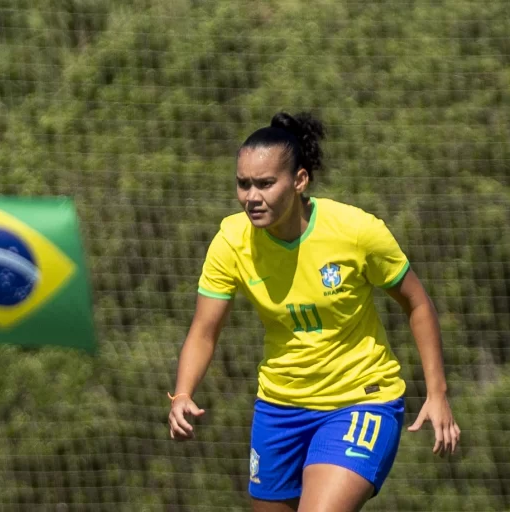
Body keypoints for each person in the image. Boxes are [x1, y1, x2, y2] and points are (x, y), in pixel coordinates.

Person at [167, 112, 461, 512]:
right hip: (279, 408)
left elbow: (417, 303)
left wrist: (437, 393)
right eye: (243, 184)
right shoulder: (231, 241)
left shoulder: (356, 231)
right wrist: (183, 392)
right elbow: (204, 331)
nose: (252, 197)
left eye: (266, 184)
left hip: (360, 401)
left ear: (299, 181)